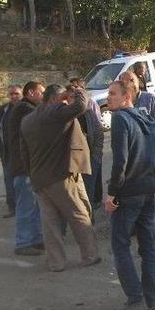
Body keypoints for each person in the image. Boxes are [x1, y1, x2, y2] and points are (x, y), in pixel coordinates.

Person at [20, 84, 99, 272]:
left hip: (39, 178)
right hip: (60, 176)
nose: (66, 104)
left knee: (50, 223)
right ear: (56, 99)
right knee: (79, 214)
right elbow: (81, 106)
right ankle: (90, 255)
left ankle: (56, 262)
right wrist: (78, 91)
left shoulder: (27, 120)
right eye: (64, 100)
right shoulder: (55, 111)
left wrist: (32, 174)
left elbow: (23, 153)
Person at [104, 81, 155, 310]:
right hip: (150, 188)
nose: (108, 97)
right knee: (147, 246)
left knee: (120, 244)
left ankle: (136, 298)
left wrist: (112, 193)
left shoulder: (120, 119)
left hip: (130, 192)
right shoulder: (145, 118)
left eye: (112, 93)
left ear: (127, 96)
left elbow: (120, 161)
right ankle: (150, 299)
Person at [119, 71, 155, 238]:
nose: (129, 82)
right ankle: (137, 224)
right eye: (124, 80)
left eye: (131, 79)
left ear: (138, 81)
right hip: (132, 158)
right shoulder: (122, 104)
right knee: (133, 190)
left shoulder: (149, 99)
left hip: (152, 154)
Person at [5, 81, 45, 256]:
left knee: (34, 205)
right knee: (25, 206)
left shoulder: (24, 108)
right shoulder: (24, 109)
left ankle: (36, 239)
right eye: (41, 93)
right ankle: (23, 242)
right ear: (31, 92)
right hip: (23, 168)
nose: (43, 96)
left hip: (29, 167)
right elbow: (43, 117)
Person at [67, 79, 104, 211]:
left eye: (75, 97)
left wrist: (95, 157)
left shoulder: (88, 113)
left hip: (90, 160)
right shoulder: (65, 116)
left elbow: (99, 134)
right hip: (72, 164)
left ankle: (89, 224)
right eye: (70, 97)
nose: (73, 100)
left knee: (87, 194)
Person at [0, 84, 22, 218]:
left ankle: (27, 208)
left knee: (24, 183)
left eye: (16, 94)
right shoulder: (3, 110)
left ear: (22, 94)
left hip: (23, 153)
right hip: (7, 153)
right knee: (9, 181)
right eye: (11, 94)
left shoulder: (27, 109)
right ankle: (12, 208)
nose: (14, 96)